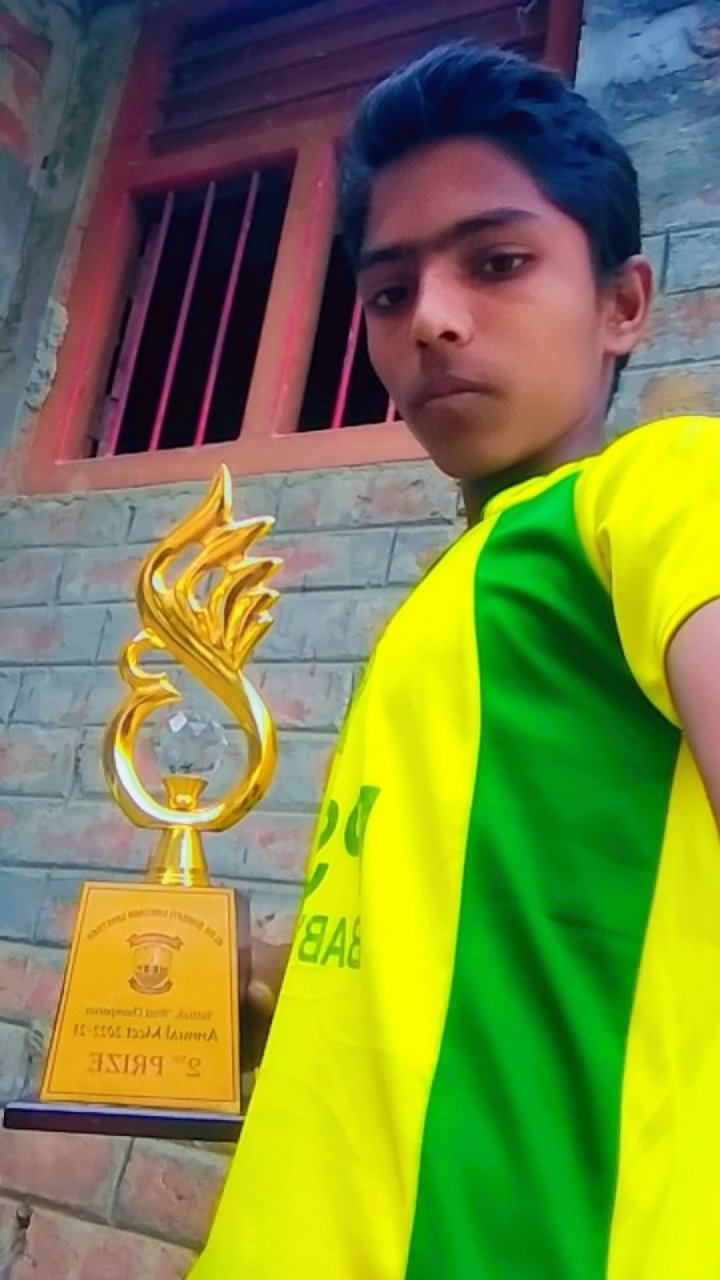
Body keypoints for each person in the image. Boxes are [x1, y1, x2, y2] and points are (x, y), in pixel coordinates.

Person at [192, 40, 720, 1280]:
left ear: (623, 304)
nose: (430, 317)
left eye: (497, 262)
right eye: (389, 291)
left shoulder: (660, 489)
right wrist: (269, 987)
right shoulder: (452, 596)